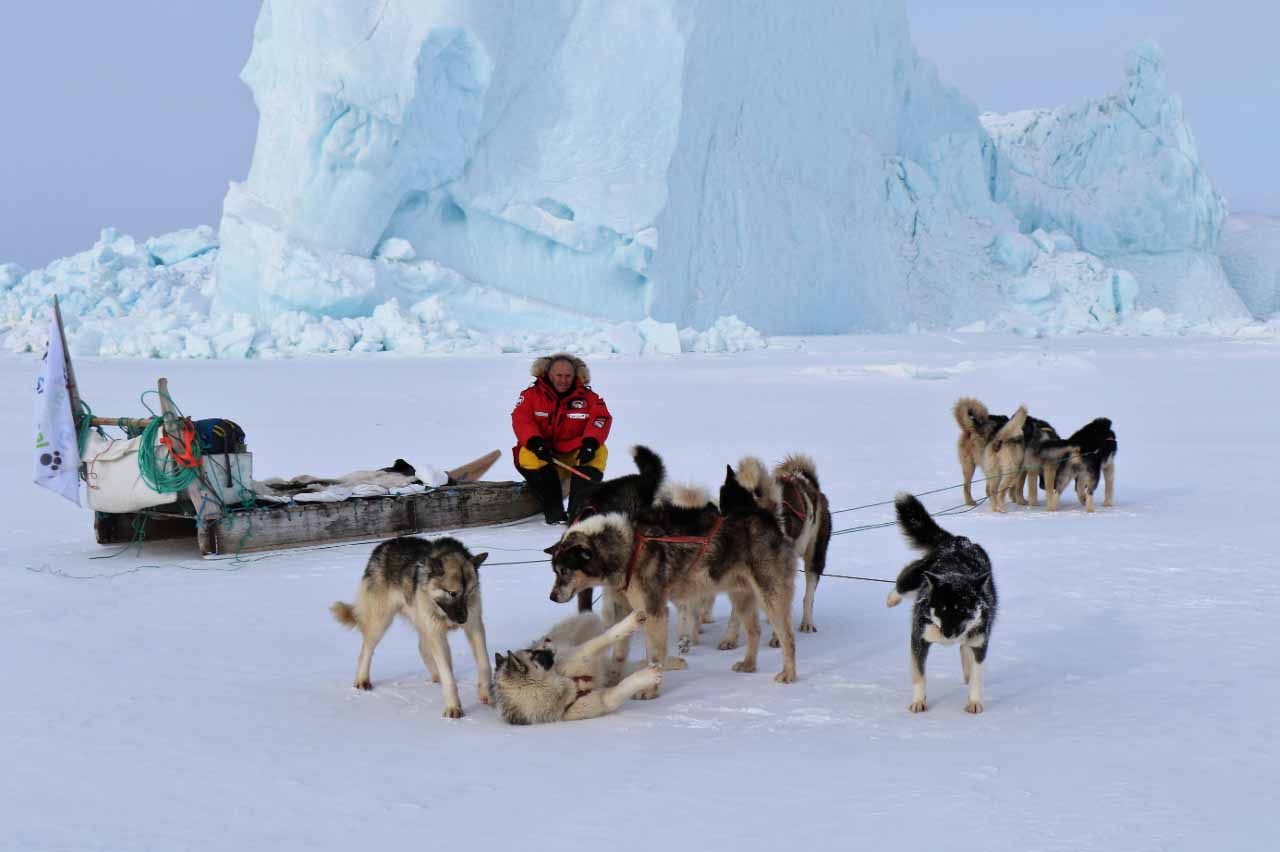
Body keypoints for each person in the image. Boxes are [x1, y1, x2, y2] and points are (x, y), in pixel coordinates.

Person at [512, 353, 611, 524]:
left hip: (574, 454)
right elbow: (522, 420)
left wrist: (590, 443)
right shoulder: (531, 395)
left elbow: (600, 419)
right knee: (527, 454)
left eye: (568, 376)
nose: (563, 380)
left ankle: (578, 513)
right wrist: (536, 443)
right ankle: (553, 510)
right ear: (549, 374)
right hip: (544, 453)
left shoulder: (590, 399)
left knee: (599, 451)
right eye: (559, 375)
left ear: (575, 376)